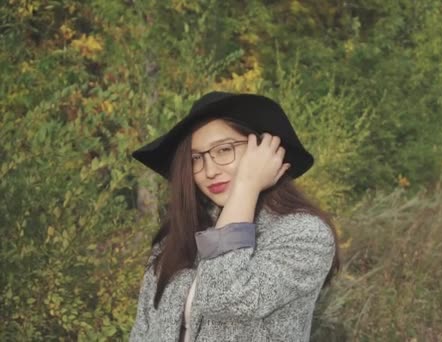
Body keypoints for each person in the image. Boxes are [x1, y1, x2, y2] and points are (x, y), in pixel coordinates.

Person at [129, 91, 340, 341]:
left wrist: (247, 186)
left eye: (224, 149)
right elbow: (143, 331)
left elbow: (224, 296)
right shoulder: (180, 236)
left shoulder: (304, 233)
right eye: (196, 158)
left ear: (263, 150)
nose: (209, 170)